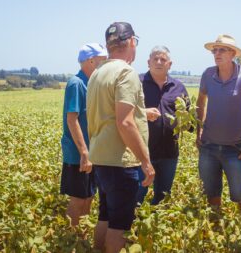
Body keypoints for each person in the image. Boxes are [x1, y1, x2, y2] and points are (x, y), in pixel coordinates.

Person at [86, 22, 155, 253]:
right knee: (120, 225)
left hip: (101, 158)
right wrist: (145, 161)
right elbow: (125, 122)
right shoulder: (126, 72)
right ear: (132, 42)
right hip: (120, 161)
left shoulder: (97, 73)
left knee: (105, 215)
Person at [196, 34, 241, 226]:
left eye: (222, 49)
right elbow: (201, 102)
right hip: (208, 147)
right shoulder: (208, 74)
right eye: (215, 50)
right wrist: (198, 131)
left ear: (233, 53)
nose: (216, 53)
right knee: (211, 194)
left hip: (236, 150)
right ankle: (215, 231)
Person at [60, 43, 107, 226]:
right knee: (78, 199)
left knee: (88, 197)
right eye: (102, 60)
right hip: (79, 155)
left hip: (91, 152)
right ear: (91, 60)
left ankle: (81, 235)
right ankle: (71, 238)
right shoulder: (76, 84)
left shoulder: (91, 83)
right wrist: (84, 153)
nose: (105, 64)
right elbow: (72, 120)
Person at [136, 46, 190, 205]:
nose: (159, 62)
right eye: (155, 59)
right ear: (148, 62)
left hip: (169, 153)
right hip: (141, 152)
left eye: (163, 59)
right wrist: (143, 112)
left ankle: (154, 225)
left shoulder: (178, 87)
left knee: (163, 197)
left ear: (170, 64)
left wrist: (187, 122)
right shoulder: (136, 82)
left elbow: (188, 117)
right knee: (136, 196)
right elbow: (124, 111)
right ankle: (131, 228)